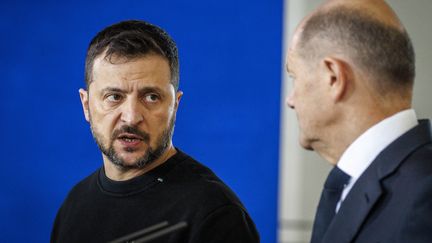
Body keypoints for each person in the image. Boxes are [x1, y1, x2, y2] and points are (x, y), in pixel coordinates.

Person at [51, 20, 259, 243]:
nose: (131, 117)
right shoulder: (74, 205)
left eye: (151, 97)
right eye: (114, 97)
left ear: (175, 106)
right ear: (86, 105)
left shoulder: (215, 215)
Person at [285, 0, 432, 242]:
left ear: (334, 77)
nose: (291, 100)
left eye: (294, 77)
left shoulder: (424, 195)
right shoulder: (351, 183)